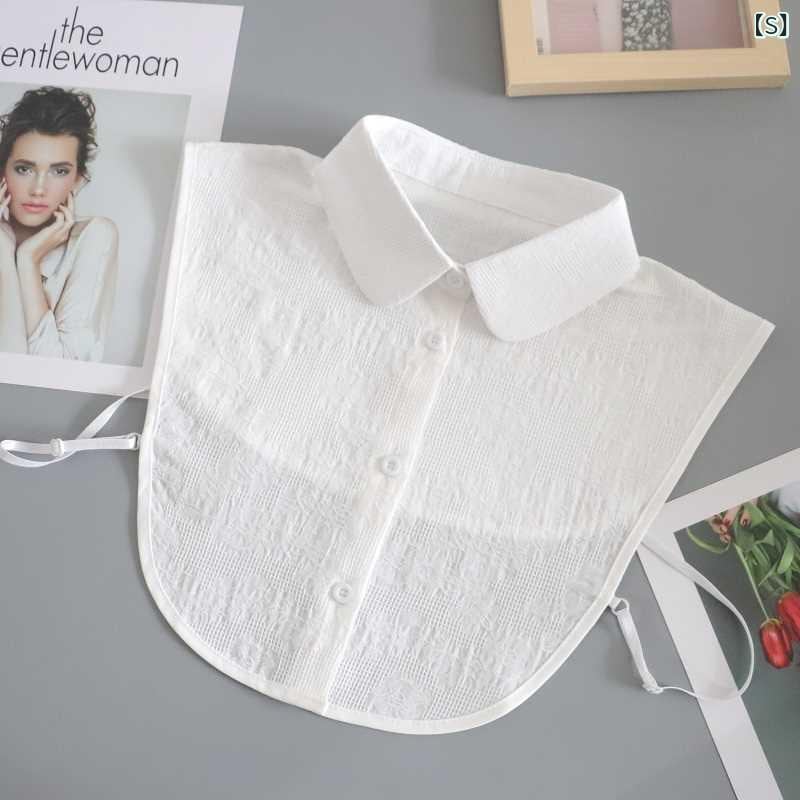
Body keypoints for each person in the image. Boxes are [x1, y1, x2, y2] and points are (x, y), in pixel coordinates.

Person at [0, 85, 118, 361]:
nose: (38, 189)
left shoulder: (93, 235)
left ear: (78, 181)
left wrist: (27, 261)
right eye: (24, 169)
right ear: (2, 172)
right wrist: (4, 249)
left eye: (59, 171)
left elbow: (60, 368)